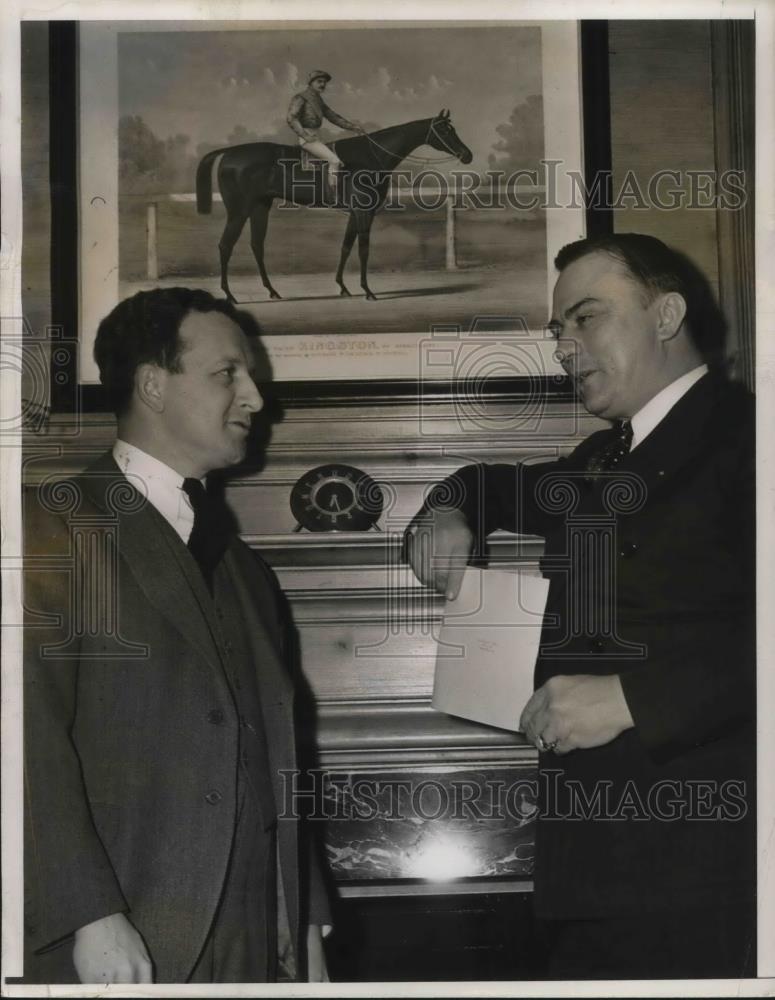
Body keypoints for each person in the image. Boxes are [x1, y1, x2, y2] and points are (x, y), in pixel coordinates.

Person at [404, 233, 756, 979]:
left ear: (664, 315)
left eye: (586, 318)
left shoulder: (748, 441)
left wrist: (635, 699)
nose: (563, 346)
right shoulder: (600, 462)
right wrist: (445, 508)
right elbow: (487, 483)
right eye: (557, 329)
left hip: (718, 874)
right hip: (594, 871)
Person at [23, 287, 331, 984]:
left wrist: (301, 913)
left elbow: (281, 751)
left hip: (253, 942)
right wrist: (87, 915)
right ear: (154, 385)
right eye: (228, 374)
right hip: (115, 943)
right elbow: (21, 739)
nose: (255, 398)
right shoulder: (50, 528)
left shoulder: (248, 571)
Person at [286, 69, 364, 190]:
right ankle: (333, 194)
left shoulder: (318, 100)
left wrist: (353, 127)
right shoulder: (300, 97)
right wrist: (304, 135)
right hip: (307, 138)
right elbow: (291, 118)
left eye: (324, 82)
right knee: (334, 161)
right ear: (311, 83)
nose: (323, 84)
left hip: (318, 137)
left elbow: (333, 117)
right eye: (319, 81)